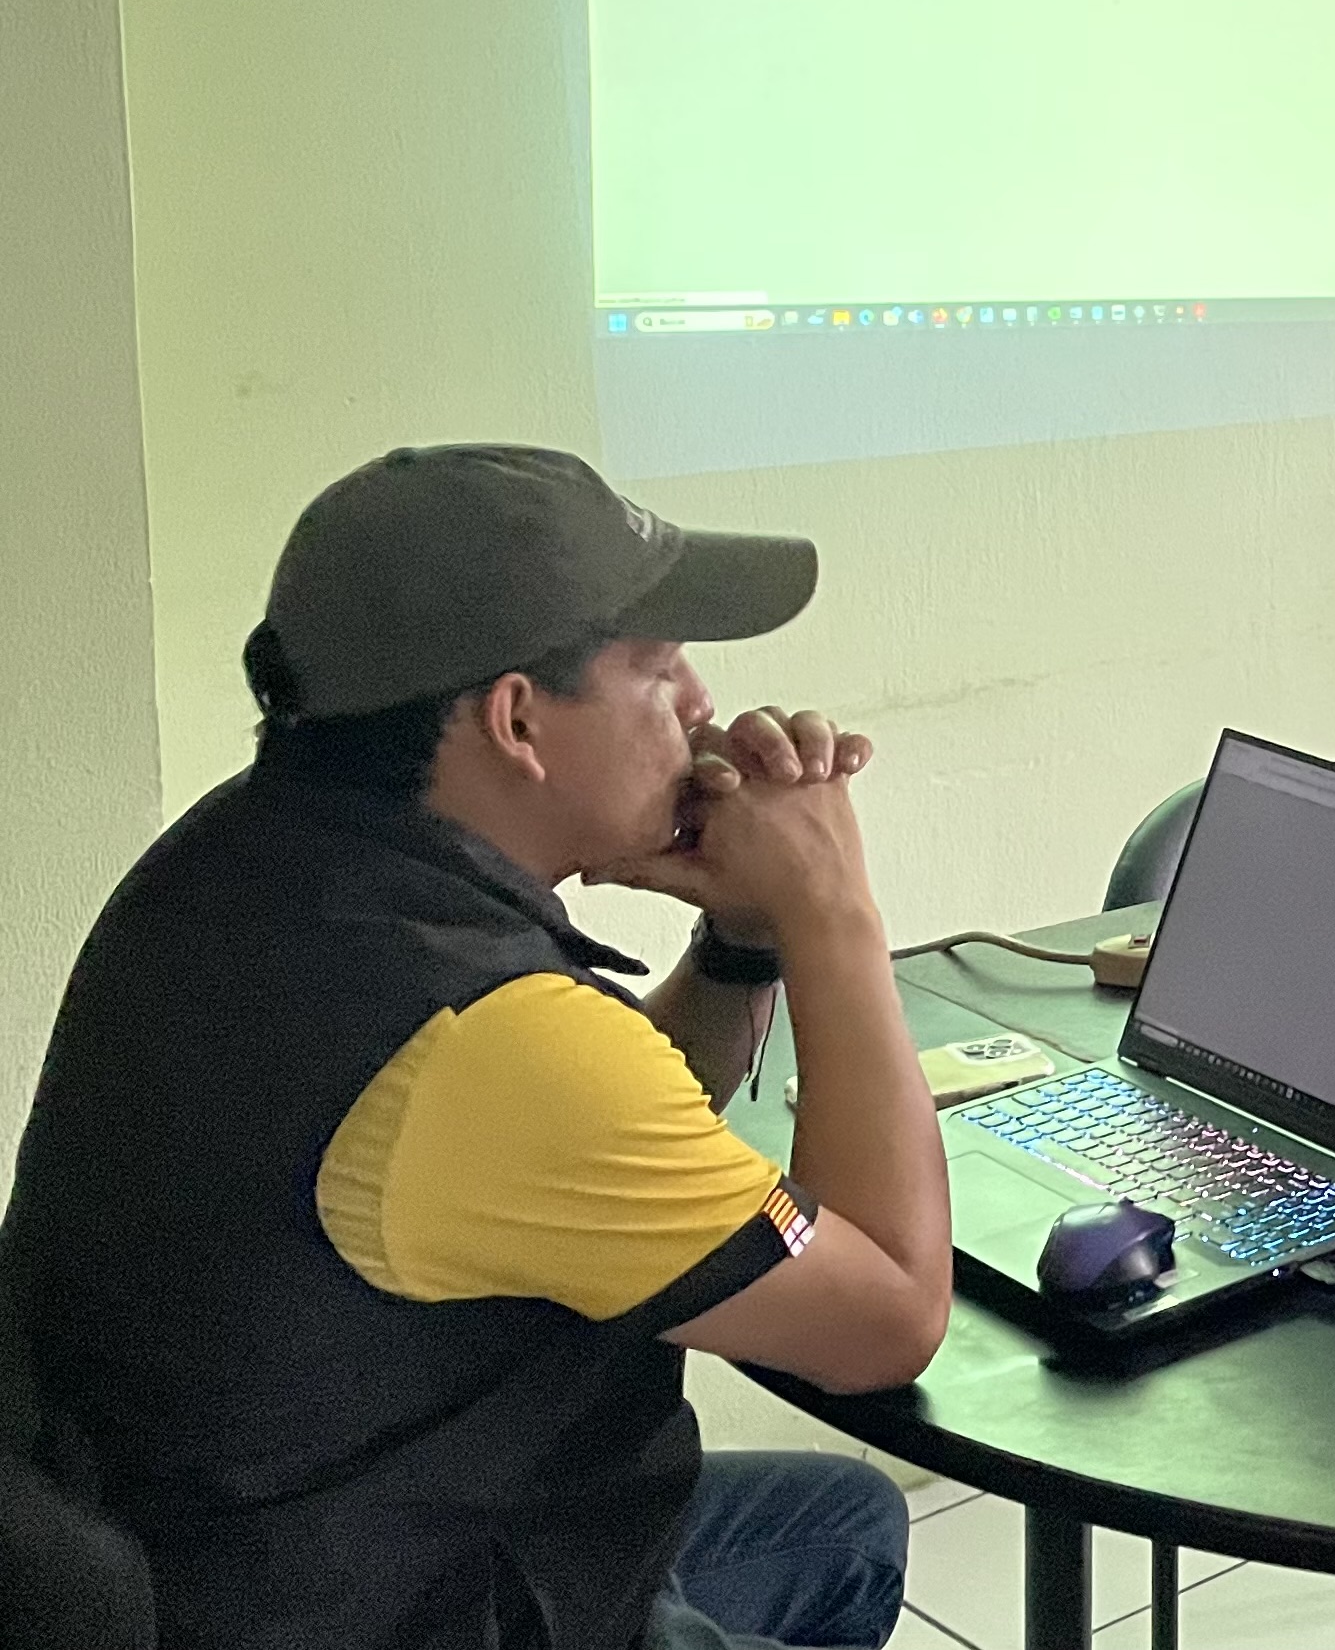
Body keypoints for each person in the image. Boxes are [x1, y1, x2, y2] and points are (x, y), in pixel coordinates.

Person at [2, 445, 953, 1650]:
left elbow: (567, 1150)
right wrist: (833, 913)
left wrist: (742, 942)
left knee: (841, 1522)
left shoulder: (251, 861)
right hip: (376, 1603)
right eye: (658, 667)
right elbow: (888, 1321)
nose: (701, 701)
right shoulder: (486, 1047)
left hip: (228, 1547)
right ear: (518, 720)